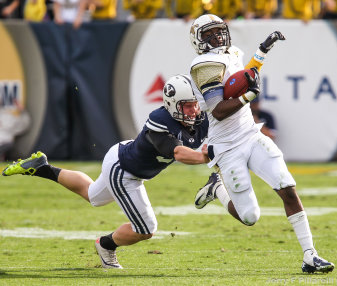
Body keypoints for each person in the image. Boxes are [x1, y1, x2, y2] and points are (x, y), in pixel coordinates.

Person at [2, 75, 210, 269]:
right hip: (124, 169)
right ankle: (106, 245)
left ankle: (41, 168)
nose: (193, 111)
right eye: (187, 106)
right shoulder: (160, 122)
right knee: (146, 228)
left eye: (195, 105)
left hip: (125, 157)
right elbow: (180, 153)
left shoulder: (202, 119)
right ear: (172, 105)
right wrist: (208, 155)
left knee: (93, 196)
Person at [189, 14, 334, 273]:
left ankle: (310, 255)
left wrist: (262, 51)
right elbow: (218, 109)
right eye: (209, 34)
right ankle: (217, 189)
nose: (217, 37)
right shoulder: (204, 65)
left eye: (218, 31)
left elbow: (245, 76)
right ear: (199, 41)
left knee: (287, 187)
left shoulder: (232, 52)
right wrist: (248, 97)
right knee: (249, 217)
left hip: (251, 135)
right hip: (226, 146)